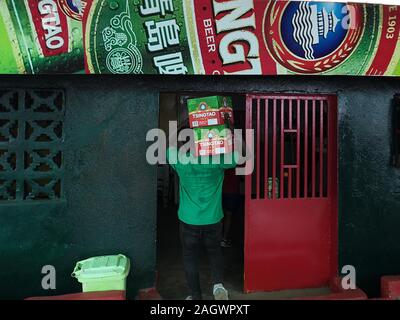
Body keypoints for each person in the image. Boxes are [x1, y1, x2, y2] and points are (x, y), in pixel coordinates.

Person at [166, 124, 238, 300]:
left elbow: (169, 146)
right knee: (215, 253)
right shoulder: (217, 160)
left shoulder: (181, 160)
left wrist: (180, 128)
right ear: (204, 142)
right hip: (213, 220)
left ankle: (195, 296)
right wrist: (227, 136)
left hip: (188, 221)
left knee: (190, 258)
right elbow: (236, 156)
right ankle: (218, 287)